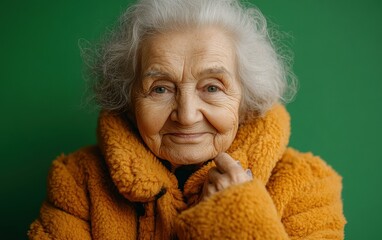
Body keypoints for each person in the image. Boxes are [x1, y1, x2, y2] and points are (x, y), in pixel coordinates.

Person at [28, 0, 346, 239]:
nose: (187, 115)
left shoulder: (308, 185)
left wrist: (239, 217)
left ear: (247, 99)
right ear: (128, 100)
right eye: (161, 88)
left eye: (212, 87)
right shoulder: (77, 180)